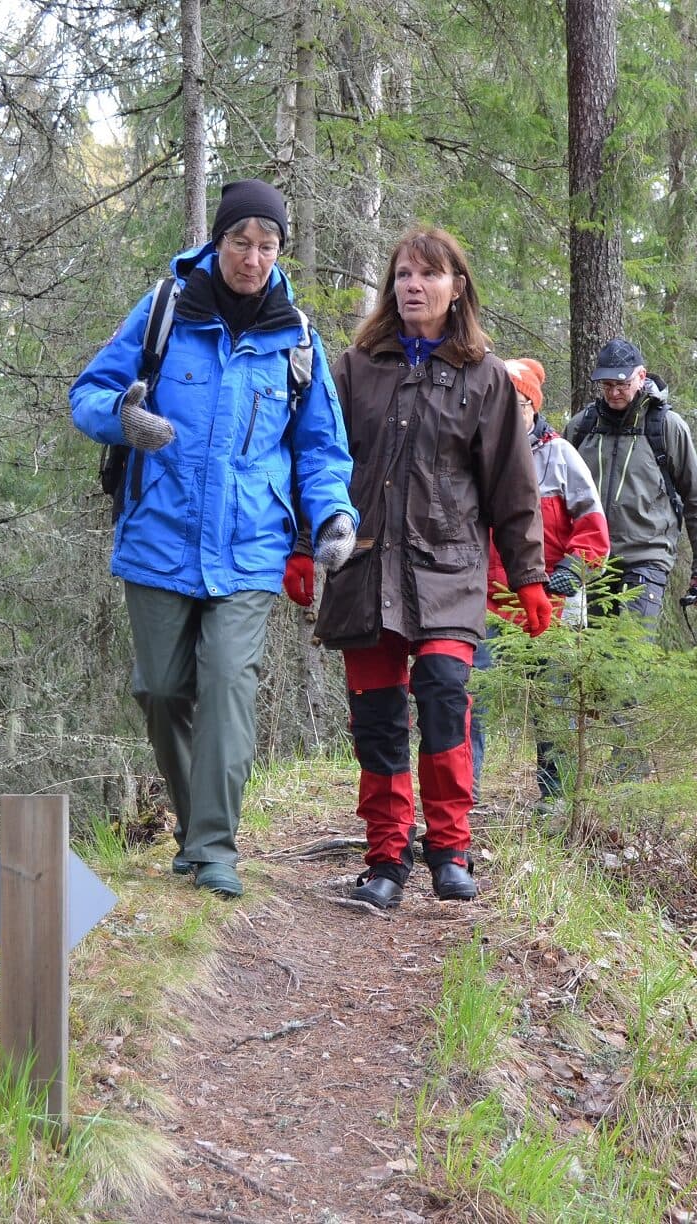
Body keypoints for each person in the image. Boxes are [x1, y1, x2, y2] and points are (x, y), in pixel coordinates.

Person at [70, 179, 358, 898]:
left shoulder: (297, 341)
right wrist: (123, 418)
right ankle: (194, 826)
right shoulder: (164, 311)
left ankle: (213, 849)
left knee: (229, 682)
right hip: (159, 534)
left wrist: (333, 516)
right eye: (240, 242)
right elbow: (88, 393)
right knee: (162, 690)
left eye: (267, 246)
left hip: (250, 545)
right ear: (217, 241)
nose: (252, 258)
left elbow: (321, 448)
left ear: (279, 251)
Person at [314, 226, 551, 909]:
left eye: (428, 274)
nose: (413, 286)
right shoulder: (354, 369)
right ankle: (386, 859)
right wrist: (304, 545)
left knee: (445, 696)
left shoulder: (486, 376)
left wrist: (528, 576)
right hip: (364, 568)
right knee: (378, 717)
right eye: (403, 275)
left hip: (448, 569)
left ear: (457, 286)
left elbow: (512, 486)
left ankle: (450, 849)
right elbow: (318, 462)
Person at [469, 357, 610, 804]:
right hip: (484, 601)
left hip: (550, 599)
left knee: (554, 702)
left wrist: (572, 570)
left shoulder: (561, 456)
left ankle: (556, 799)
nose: (509, 413)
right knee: (468, 696)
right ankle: (461, 795)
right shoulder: (474, 455)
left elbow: (594, 530)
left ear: (534, 406)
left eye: (518, 403)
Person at [564, 338, 697, 626]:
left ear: (641, 376)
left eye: (622, 384)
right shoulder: (582, 427)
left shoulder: (667, 427)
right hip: (591, 561)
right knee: (593, 650)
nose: (614, 392)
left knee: (630, 646)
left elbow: (696, 500)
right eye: (607, 385)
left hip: (647, 558)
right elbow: (559, 500)